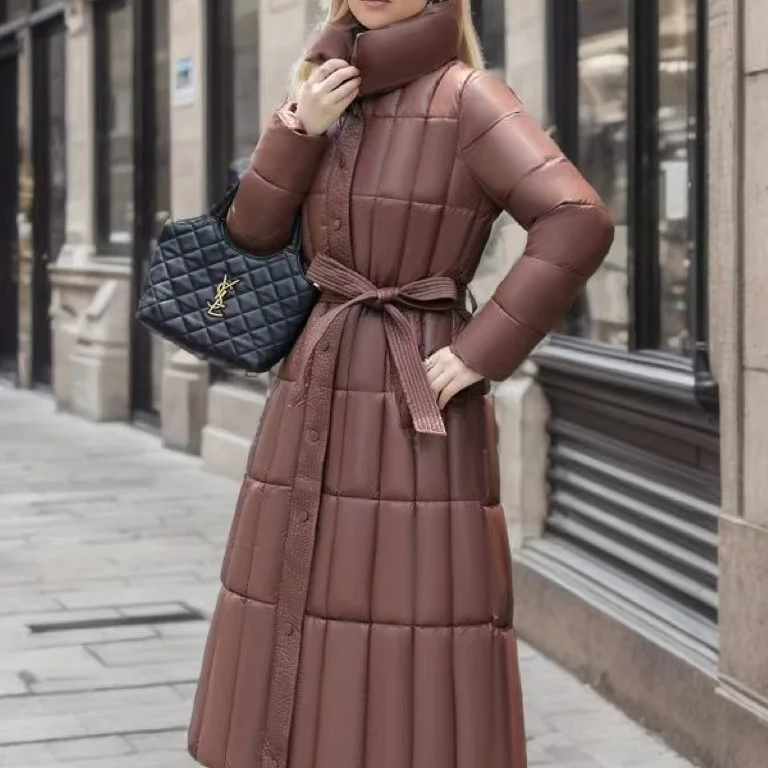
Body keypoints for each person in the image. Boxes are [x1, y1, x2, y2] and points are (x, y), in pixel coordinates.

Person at [187, 0, 614, 766]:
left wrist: (484, 348)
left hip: (414, 388)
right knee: (300, 590)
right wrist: (298, 130)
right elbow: (251, 233)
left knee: (414, 606)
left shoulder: (468, 96)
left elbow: (577, 218)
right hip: (314, 378)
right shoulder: (320, 91)